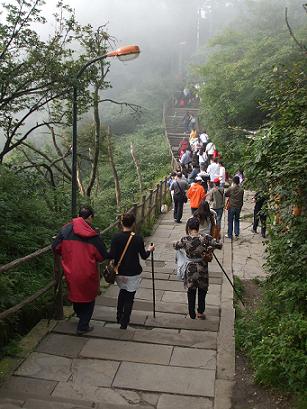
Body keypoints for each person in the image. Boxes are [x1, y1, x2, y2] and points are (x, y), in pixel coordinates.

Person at [52, 206, 109, 335]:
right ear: (90, 217)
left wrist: (67, 253)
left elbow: (55, 246)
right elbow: (102, 255)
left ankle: (79, 315)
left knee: (76, 295)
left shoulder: (66, 229)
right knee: (89, 298)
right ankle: (83, 326)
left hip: (70, 271)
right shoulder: (93, 234)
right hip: (88, 272)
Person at [109, 213, 154, 329]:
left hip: (120, 271)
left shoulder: (116, 237)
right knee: (129, 297)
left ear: (121, 223)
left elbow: (111, 255)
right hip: (133, 272)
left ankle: (119, 316)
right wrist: (149, 250)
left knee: (122, 292)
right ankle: (124, 321)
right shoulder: (137, 238)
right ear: (133, 224)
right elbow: (144, 256)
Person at [174, 217, 222, 320]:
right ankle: (200, 312)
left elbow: (176, 246)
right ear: (198, 226)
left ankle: (191, 313)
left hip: (190, 269)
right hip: (202, 268)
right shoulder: (205, 238)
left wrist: (175, 244)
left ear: (188, 227)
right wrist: (210, 248)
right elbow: (219, 244)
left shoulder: (185, 239)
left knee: (191, 291)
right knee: (202, 291)